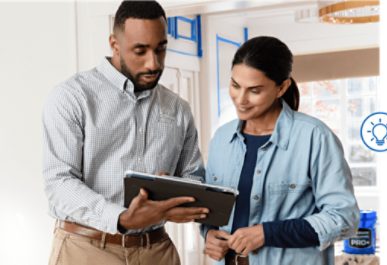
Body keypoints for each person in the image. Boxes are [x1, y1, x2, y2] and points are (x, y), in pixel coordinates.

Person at [42, 1, 208, 265]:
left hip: (158, 251)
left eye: (161, 49)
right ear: (114, 43)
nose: (153, 63)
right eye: (140, 51)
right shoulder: (72, 97)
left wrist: (175, 193)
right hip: (87, 250)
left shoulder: (178, 108)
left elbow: (194, 177)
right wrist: (120, 218)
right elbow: (59, 182)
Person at [202, 36, 359, 265]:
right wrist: (208, 233)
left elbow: (344, 218)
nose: (241, 100)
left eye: (254, 90)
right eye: (235, 86)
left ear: (282, 87)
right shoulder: (222, 138)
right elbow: (214, 209)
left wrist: (266, 233)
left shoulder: (314, 137)